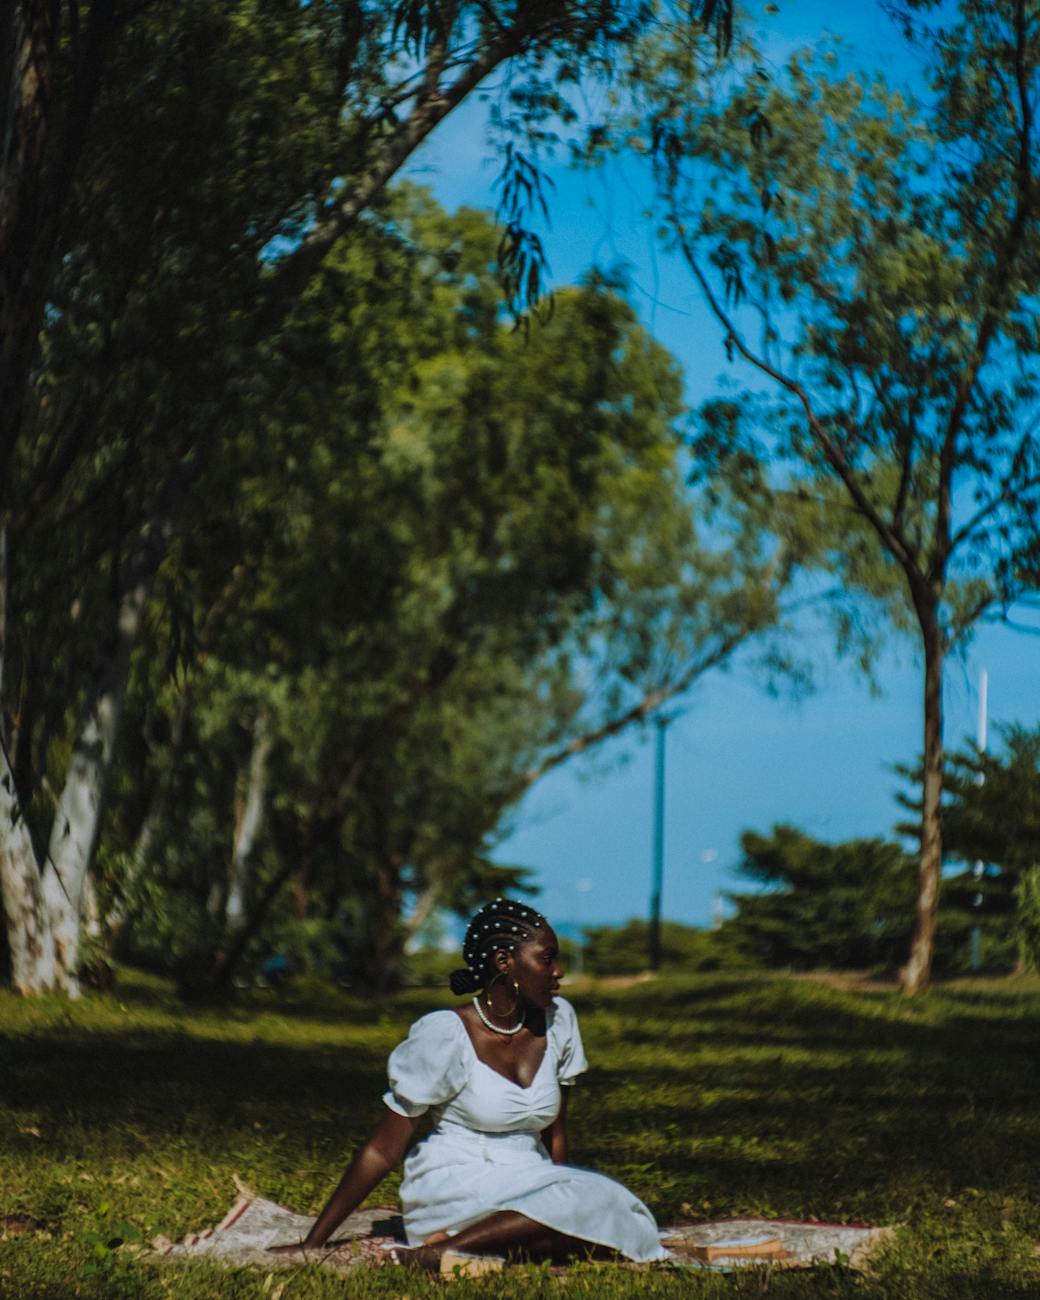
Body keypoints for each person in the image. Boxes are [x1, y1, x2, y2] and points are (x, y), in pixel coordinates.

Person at [270, 899, 668, 1271]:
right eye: (547, 959)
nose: (558, 971)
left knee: (628, 1218)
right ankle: (436, 1252)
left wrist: (564, 1193)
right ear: (504, 961)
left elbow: (556, 1136)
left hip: (529, 1180)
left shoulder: (559, 1020)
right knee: (598, 1210)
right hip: (456, 1180)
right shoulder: (445, 1034)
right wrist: (315, 1241)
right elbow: (381, 1148)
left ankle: (472, 1246)